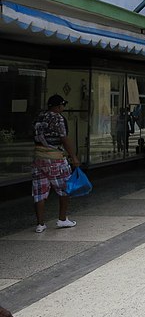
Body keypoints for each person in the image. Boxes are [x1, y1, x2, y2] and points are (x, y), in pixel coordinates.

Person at [32, 94, 79, 233]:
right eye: (62, 105)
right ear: (59, 106)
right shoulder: (58, 118)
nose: (63, 108)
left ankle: (40, 224)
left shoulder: (38, 117)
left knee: (39, 192)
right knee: (64, 188)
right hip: (55, 159)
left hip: (38, 158)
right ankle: (62, 219)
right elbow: (64, 138)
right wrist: (74, 157)